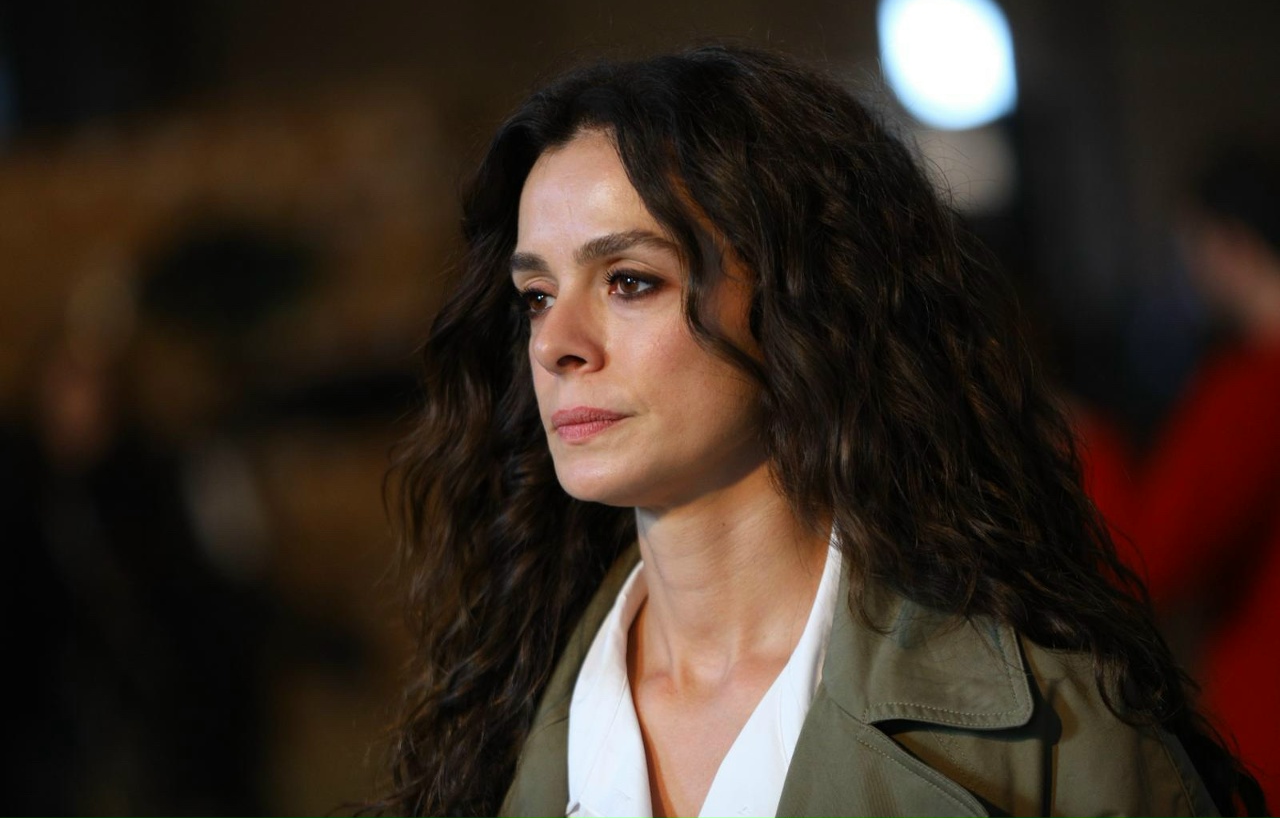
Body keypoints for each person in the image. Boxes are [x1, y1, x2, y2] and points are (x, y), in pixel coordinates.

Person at [383, 46, 1266, 817]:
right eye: (536, 296)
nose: (555, 345)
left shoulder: (1059, 731)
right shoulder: (495, 726)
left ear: (802, 301)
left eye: (630, 281)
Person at [1122, 151, 1280, 808]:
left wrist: (1080, 442)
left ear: (1230, 242)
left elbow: (1145, 558)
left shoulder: (1250, 392)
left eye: (1191, 245)